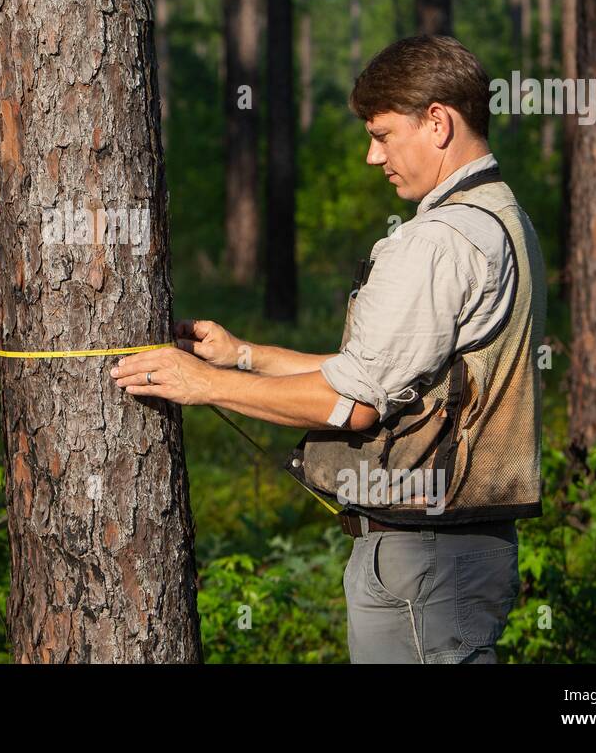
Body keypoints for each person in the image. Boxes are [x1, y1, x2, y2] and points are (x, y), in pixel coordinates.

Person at [110, 34, 546, 663]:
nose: (374, 157)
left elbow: (356, 403)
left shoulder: (436, 242)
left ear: (438, 122)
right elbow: (390, 373)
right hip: (449, 548)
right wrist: (243, 357)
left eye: (383, 134)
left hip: (426, 556)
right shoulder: (500, 216)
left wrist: (202, 386)